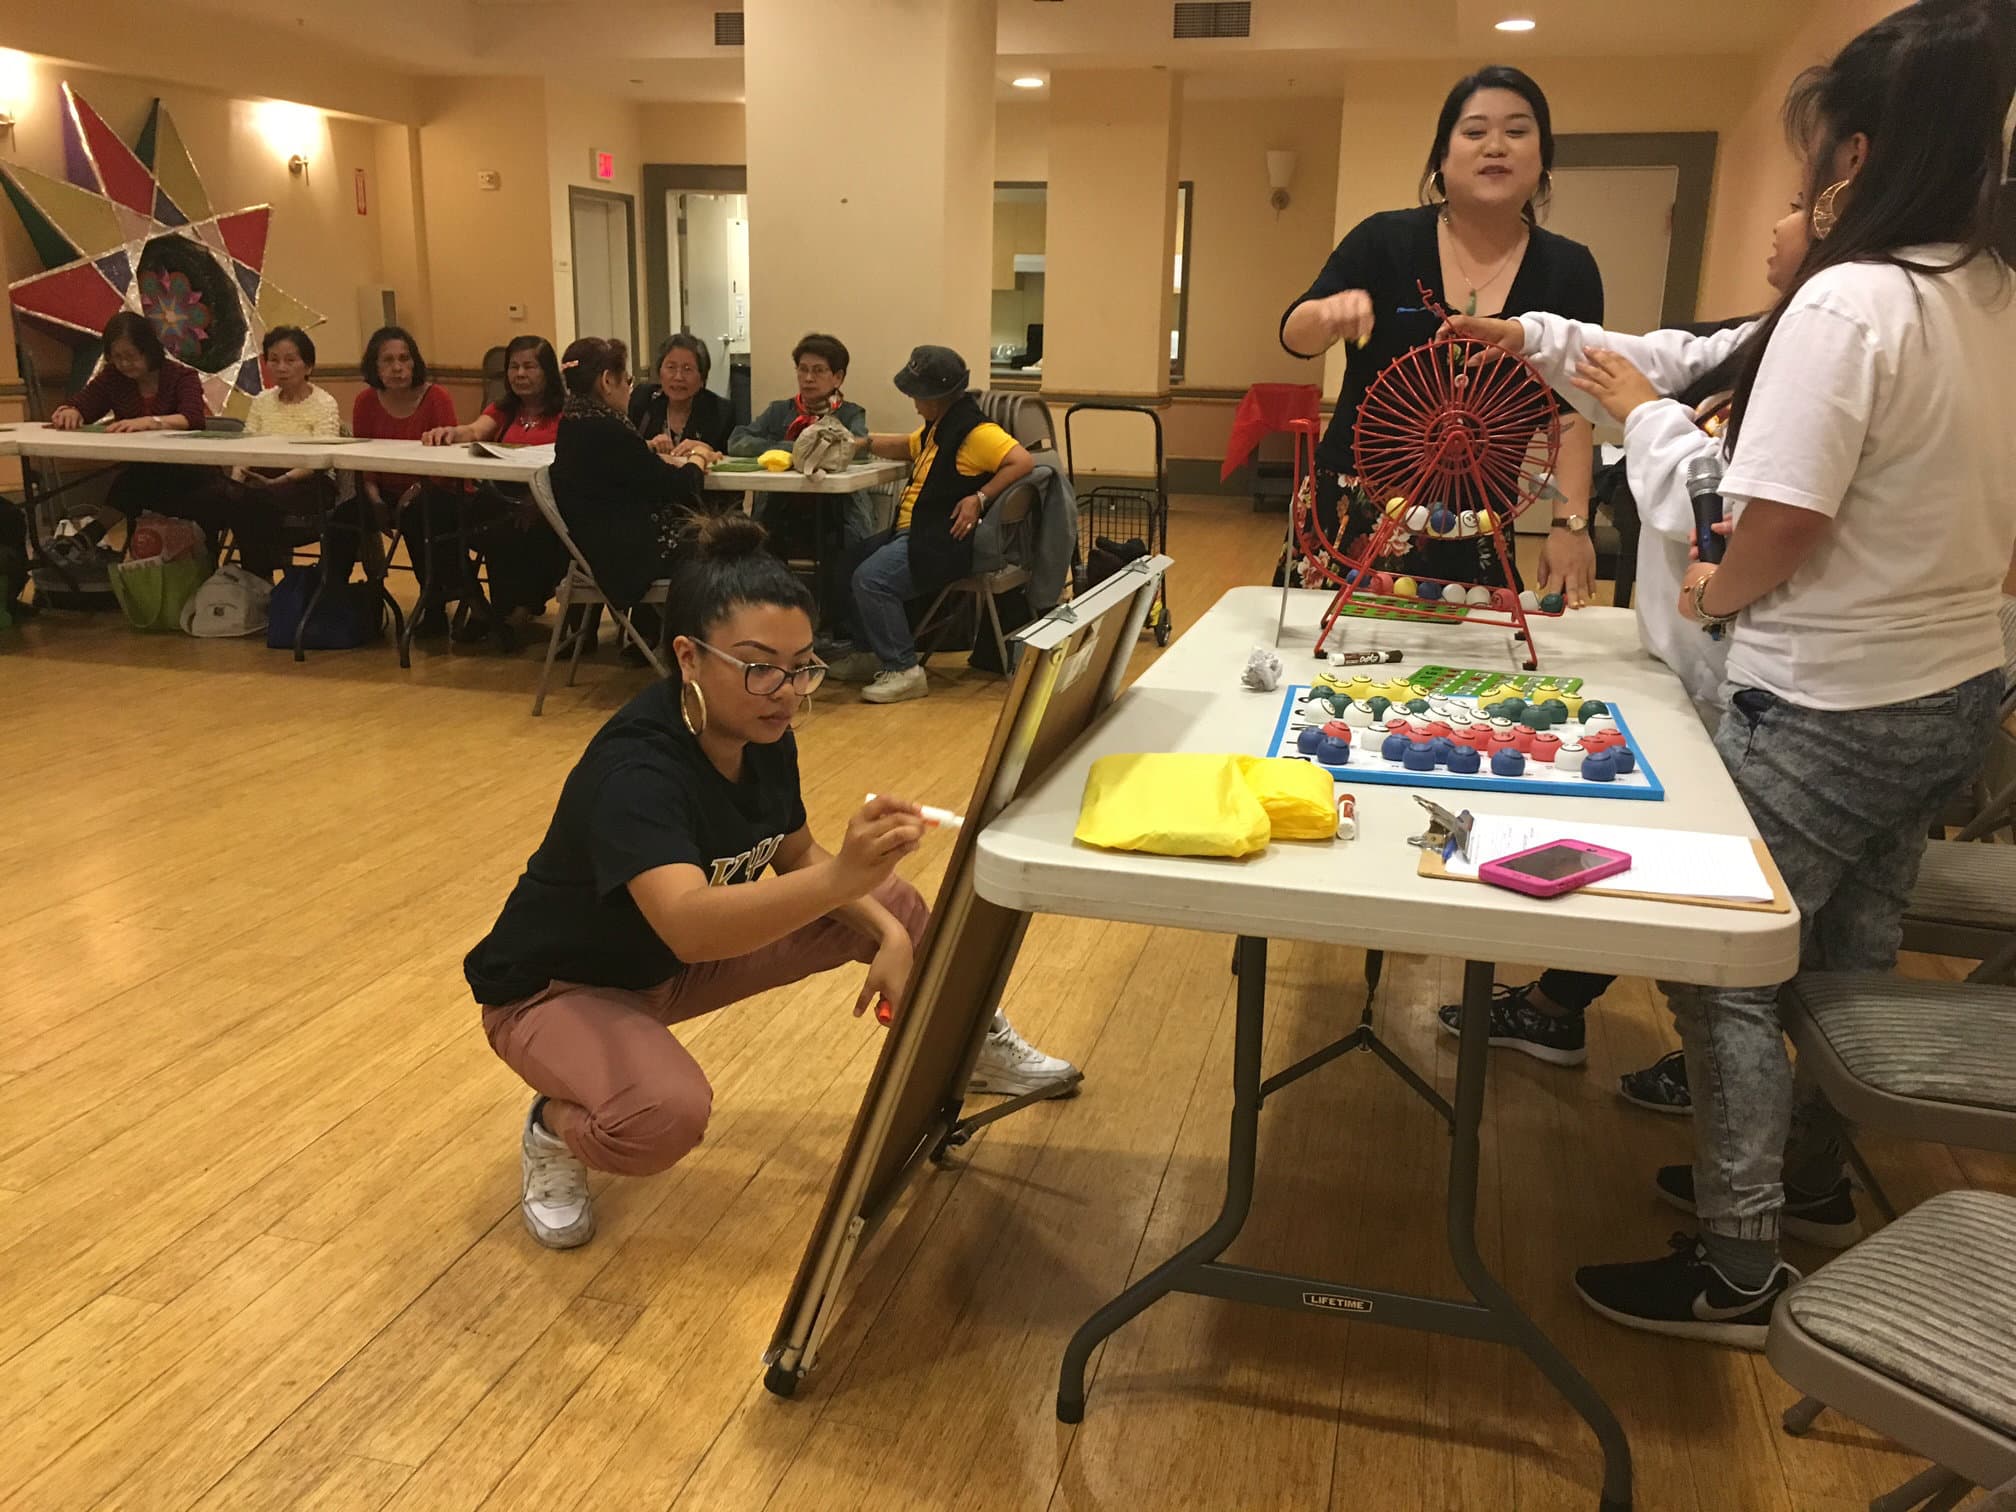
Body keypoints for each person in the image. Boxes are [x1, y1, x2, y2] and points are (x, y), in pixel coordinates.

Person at [1564, 0, 2016, 1346]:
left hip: (1831, 695)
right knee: (1849, 951)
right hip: (1957, 689)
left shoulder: (1853, 300)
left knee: (1721, 960)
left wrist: (1714, 592)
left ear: (1856, 156)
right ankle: (1809, 1176)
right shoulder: (1994, 292)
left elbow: (1778, 522)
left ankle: (1739, 1264)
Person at [464, 512, 1080, 1248]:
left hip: (665, 969)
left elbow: (795, 854)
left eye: (802, 667)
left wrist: (887, 932)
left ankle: (970, 1045)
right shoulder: (636, 770)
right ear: (689, 657)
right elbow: (690, 927)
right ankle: (553, 1128)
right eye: (759, 666)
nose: (786, 692)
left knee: (898, 908)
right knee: (662, 1116)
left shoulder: (759, 729)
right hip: (558, 989)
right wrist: (843, 878)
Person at [1429, 203, 1815, 1112]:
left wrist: (1643, 415)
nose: (1780, 217)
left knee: (1726, 902)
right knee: (1670, 850)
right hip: (1701, 663)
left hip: (1754, 675)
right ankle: (1568, 1009)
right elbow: (1657, 356)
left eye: (1803, 199)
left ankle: (1737, 1109)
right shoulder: (1768, 335)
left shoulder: (1825, 336)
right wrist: (1528, 336)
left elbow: (1712, 511)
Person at [1278, 65, 1602, 602]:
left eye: (1517, 131)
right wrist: (1328, 313)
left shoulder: (1569, 270)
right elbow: (1296, 337)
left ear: (1543, 158)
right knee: (1328, 648)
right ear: (1441, 158)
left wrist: (1571, 526)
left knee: (1468, 651)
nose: (1496, 146)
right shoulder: (1384, 239)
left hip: (1477, 516)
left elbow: (1571, 411)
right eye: (1475, 131)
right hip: (1354, 505)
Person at [828, 346, 1034, 705]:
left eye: (917, 395)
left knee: (871, 580)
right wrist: (859, 443)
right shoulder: (939, 427)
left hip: (940, 541)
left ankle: (904, 669)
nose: (913, 403)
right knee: (847, 566)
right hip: (915, 531)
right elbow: (908, 445)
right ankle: (870, 652)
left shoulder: (976, 432)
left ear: (936, 397)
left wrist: (979, 497)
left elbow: (1022, 461)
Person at [549, 335, 708, 654]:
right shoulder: (610, 430)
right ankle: (701, 649)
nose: (630, 388)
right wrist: (700, 456)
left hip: (596, 550)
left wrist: (644, 450)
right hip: (626, 560)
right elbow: (681, 486)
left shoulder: (573, 423)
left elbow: (625, 468)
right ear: (607, 381)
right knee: (726, 545)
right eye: (627, 380)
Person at [421, 334, 567, 650]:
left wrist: (538, 501)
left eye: (529, 366)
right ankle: (478, 605)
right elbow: (475, 431)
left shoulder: (565, 414)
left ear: (547, 371)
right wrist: (450, 432)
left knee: (515, 526)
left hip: (547, 503)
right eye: (514, 367)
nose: (520, 374)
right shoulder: (503, 409)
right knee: (428, 512)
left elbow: (569, 467)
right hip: (498, 497)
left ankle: (518, 612)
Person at [186, 325, 343, 579]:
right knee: (213, 496)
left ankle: (257, 577)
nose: (281, 367)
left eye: (290, 360)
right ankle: (211, 571)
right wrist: (237, 480)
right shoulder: (262, 400)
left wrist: (279, 481)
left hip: (307, 482)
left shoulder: (324, 403)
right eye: (274, 360)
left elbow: (320, 460)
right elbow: (247, 448)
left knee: (250, 503)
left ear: (308, 366)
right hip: (260, 478)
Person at [51, 311, 209, 548]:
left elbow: (193, 418)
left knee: (135, 480)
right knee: (138, 477)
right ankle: (89, 538)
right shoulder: (114, 378)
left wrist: (150, 422)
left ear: (149, 351)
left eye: (131, 356)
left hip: (187, 470)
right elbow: (84, 404)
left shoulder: (181, 376)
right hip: (143, 468)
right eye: (117, 357)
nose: (124, 364)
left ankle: (90, 535)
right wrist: (70, 411)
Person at [350, 326, 461, 631]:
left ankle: (433, 603)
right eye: (388, 360)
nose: (397, 368)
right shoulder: (365, 401)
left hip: (433, 487)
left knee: (416, 513)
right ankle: (344, 599)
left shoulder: (437, 397)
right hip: (383, 488)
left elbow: (447, 462)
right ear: (375, 366)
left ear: (415, 363)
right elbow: (364, 459)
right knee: (343, 518)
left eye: (404, 359)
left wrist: (412, 492)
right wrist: (373, 498)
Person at [729, 333, 874, 549]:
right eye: (802, 369)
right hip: (781, 507)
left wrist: (800, 452)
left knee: (847, 543)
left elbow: (858, 448)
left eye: (818, 370)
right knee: (757, 539)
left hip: (835, 512)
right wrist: (793, 449)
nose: (808, 378)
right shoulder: (779, 410)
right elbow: (737, 441)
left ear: (838, 377)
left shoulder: (851, 414)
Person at [630, 333, 734, 461]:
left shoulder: (721, 411)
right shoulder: (643, 398)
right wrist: (648, 445)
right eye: (671, 367)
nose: (678, 377)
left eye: (687, 369)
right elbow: (624, 448)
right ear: (659, 372)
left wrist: (707, 450)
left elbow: (731, 460)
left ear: (702, 378)